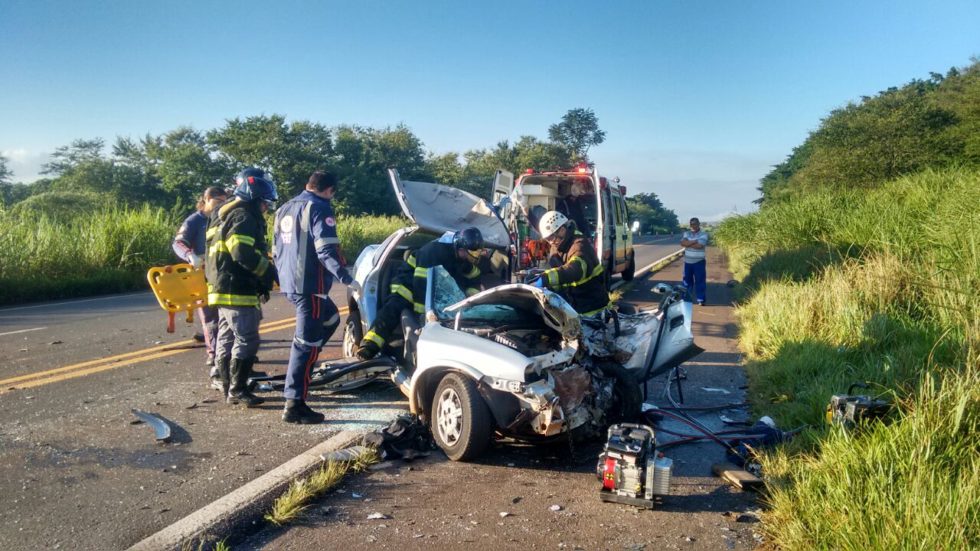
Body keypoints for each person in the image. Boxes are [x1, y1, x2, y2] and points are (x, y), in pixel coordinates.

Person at [273, 171, 354, 424]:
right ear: (329, 190)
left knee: (330, 318)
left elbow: (275, 249)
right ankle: (294, 404)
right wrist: (347, 278)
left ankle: (303, 371)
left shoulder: (284, 208)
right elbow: (326, 249)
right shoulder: (319, 207)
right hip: (310, 287)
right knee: (305, 344)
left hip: (289, 283)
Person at [205, 167, 278, 407]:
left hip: (220, 286)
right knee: (247, 338)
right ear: (255, 198)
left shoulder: (223, 214)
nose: (266, 208)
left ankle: (229, 388)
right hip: (237, 287)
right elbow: (242, 252)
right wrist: (268, 272)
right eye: (264, 203)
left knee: (227, 338)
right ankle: (238, 389)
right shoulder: (244, 217)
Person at [355, 227, 485, 360]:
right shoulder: (434, 252)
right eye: (469, 254)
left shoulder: (462, 256)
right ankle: (369, 346)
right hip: (408, 282)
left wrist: (471, 297)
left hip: (435, 287)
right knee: (394, 307)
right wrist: (424, 317)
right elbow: (421, 285)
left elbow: (474, 275)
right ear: (459, 247)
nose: (471, 259)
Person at [173, 186, 228, 386]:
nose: (220, 204)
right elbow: (179, 242)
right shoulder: (195, 221)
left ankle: (228, 352)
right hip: (200, 273)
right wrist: (189, 255)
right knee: (209, 317)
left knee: (226, 314)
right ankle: (214, 354)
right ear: (205, 200)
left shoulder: (224, 217)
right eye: (216, 201)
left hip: (220, 273)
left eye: (223, 200)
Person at [530, 211, 609, 316]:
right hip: (574, 308)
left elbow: (574, 270)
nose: (550, 242)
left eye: (551, 238)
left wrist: (546, 278)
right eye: (547, 239)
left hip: (593, 310)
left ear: (562, 230)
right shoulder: (558, 244)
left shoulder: (579, 245)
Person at [680, 217, 708, 305]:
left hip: (699, 262)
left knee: (700, 281)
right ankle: (686, 299)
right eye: (691, 224)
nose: (693, 226)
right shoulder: (686, 233)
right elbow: (682, 243)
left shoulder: (704, 234)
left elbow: (700, 246)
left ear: (699, 224)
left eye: (695, 224)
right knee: (686, 282)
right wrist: (695, 241)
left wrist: (688, 243)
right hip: (687, 262)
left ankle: (701, 299)